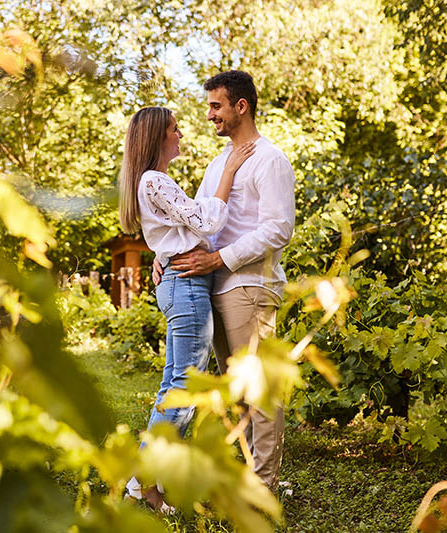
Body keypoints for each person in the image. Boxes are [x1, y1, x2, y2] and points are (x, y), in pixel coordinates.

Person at [154, 70, 296, 493]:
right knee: (236, 393)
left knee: (258, 391)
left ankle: (263, 488)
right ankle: (251, 478)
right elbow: (196, 222)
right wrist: (166, 257)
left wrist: (219, 257)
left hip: (250, 286)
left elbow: (278, 229)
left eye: (216, 105)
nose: (210, 114)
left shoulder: (270, 160)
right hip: (213, 286)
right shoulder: (218, 164)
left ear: (241, 106)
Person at [118, 106, 254, 510]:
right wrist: (229, 173)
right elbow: (206, 222)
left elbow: (183, 228)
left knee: (173, 385)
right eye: (175, 129)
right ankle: (141, 478)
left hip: (182, 283)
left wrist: (164, 252)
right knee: (185, 388)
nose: (181, 134)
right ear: (159, 136)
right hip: (187, 287)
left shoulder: (152, 182)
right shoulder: (154, 181)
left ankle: (146, 487)